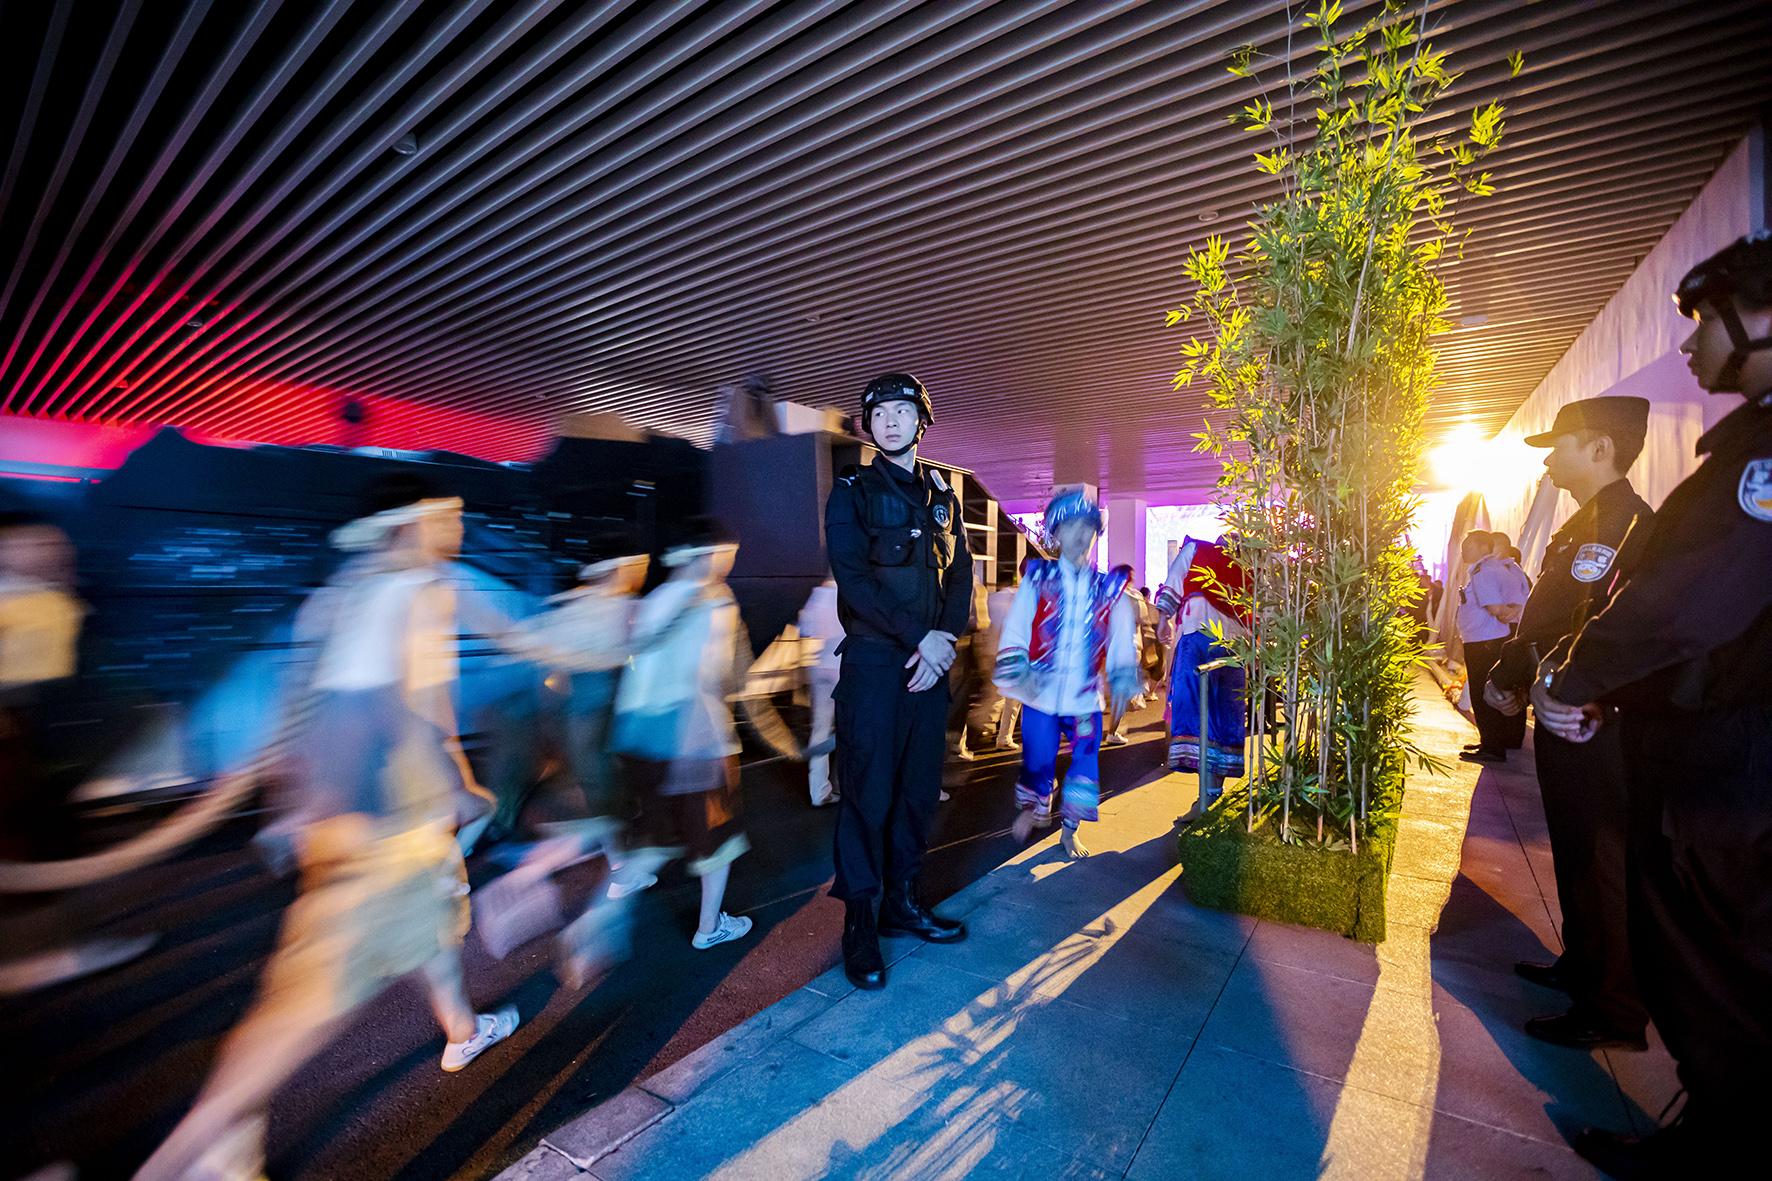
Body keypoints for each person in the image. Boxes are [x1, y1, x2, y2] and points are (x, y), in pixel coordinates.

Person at [132, 480, 517, 1181]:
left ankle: (462, 1029)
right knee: (299, 1014)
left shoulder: (340, 595)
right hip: (383, 834)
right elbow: (391, 709)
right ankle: (192, 1154)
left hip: (377, 829)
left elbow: (302, 707)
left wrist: (292, 809)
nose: (458, 530)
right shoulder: (402, 593)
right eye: (449, 518)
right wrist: (454, 784)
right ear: (411, 525)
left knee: (431, 924)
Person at [1533, 230, 1772, 1177]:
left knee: (1719, 960)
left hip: (1734, 764)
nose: (1688, 343)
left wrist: (1578, 677)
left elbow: (1688, 601)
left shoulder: (1759, 463)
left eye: (1704, 320)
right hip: (1706, 743)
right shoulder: (1745, 450)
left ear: (1760, 319)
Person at [1482, 396, 1654, 1053]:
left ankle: (1613, 1008)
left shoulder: (1624, 525)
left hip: (1593, 720)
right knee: (1575, 849)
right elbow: (1550, 619)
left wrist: (1527, 674)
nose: (1549, 460)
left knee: (1602, 857)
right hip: (1566, 712)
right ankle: (1583, 965)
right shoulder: (1587, 523)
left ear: (1601, 448)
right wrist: (1515, 674)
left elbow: (1597, 628)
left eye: (1561, 445)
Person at [824, 372, 972, 990]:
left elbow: (960, 576)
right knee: (867, 796)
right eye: (879, 412)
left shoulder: (943, 494)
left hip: (930, 666)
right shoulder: (852, 492)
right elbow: (855, 581)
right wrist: (921, 639)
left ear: (921, 421)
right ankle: (859, 924)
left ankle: (902, 903)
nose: (890, 420)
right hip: (876, 666)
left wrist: (944, 643)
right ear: (870, 425)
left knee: (917, 792)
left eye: (901, 411)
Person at [609, 518, 757, 951]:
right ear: (710, 554)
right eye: (728, 556)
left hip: (640, 736)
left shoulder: (655, 598)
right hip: (696, 738)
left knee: (659, 834)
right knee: (718, 840)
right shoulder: (716, 600)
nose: (729, 565)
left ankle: (606, 906)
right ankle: (709, 927)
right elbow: (713, 677)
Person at [994, 489, 1139, 859]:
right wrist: (1018, 670)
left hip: (1084, 698)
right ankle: (1036, 804)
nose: (1080, 533)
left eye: (1087, 526)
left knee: (1086, 762)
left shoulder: (1109, 589)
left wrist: (1122, 676)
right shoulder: (1038, 579)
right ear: (1057, 533)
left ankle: (1069, 830)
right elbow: (1017, 626)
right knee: (1038, 760)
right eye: (1071, 525)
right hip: (1040, 694)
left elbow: (1122, 636)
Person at [1156, 534, 1249, 820]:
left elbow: (1174, 581)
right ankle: (1211, 794)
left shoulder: (1197, 549)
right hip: (1235, 648)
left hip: (1198, 640)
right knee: (1224, 718)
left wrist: (1163, 620)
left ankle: (1206, 798)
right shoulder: (1247, 568)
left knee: (1196, 716)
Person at [1455, 530, 1527, 763]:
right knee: (1490, 691)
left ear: (1482, 546)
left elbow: (1495, 608)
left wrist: (1505, 615)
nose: (1463, 550)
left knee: (1481, 693)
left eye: (1468, 545)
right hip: (1487, 639)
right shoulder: (1501, 569)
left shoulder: (1483, 571)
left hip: (1482, 641)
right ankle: (1492, 742)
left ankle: (1492, 747)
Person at [797, 578, 843, 807]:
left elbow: (805, 633)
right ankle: (845, 783)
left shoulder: (817, 596)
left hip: (820, 669)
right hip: (843, 671)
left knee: (820, 729)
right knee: (851, 730)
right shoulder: (848, 595)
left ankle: (819, 791)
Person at [986, 570, 1023, 750]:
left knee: (994, 694)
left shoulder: (992, 598)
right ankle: (1003, 736)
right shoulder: (1016, 598)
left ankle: (984, 729)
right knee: (1013, 698)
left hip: (990, 649)